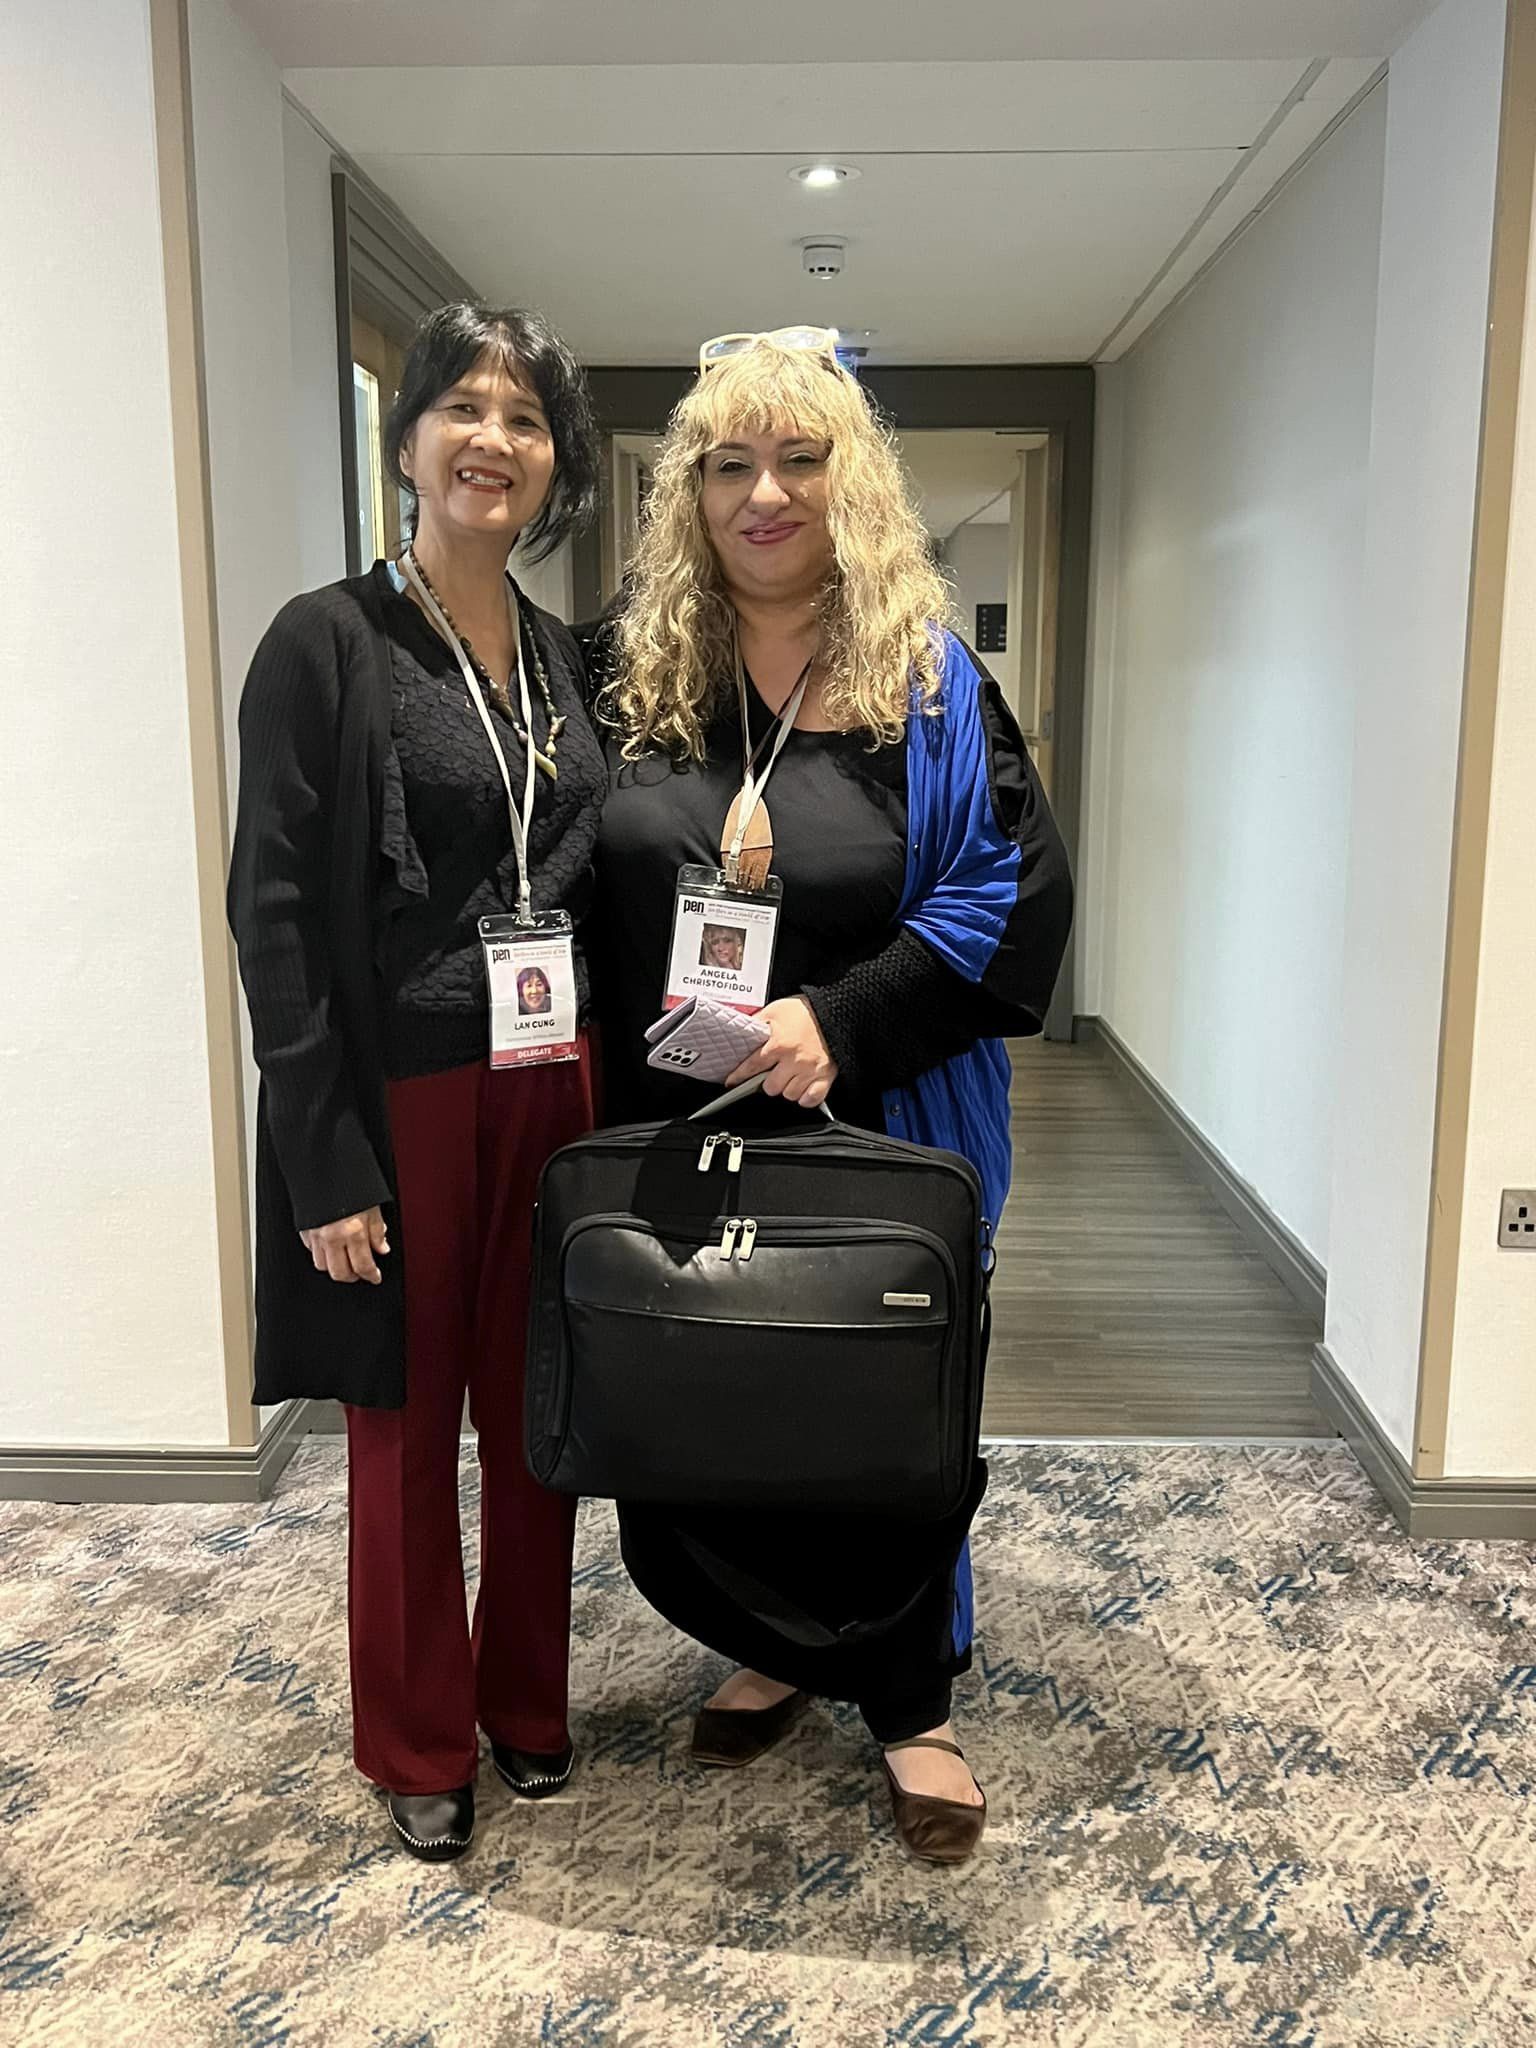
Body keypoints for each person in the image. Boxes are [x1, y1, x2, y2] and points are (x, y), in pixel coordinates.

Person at [586, 328, 1073, 1865]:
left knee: (886, 1395)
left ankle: (912, 1696)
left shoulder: (928, 678)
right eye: (729, 464)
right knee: (731, 1385)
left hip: (888, 1109)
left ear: (850, 479)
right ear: (690, 493)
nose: (765, 494)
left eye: (800, 459)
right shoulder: (639, 677)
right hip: (695, 1114)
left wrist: (838, 1022)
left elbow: (1012, 890)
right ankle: (772, 1643)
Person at [227, 303, 605, 1864]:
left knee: (537, 1412)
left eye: (525, 418)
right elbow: (274, 915)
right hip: (407, 1098)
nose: (493, 440)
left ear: (554, 463)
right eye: (464, 408)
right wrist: (321, 1161)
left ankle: (525, 1699)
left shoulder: (564, 655)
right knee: (401, 1428)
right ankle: (416, 1734)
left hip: (554, 1079)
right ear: (406, 441)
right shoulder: (326, 641)